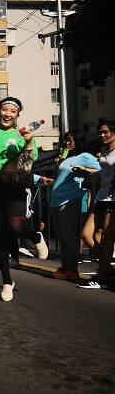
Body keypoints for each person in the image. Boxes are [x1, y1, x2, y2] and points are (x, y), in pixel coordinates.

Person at [0, 97, 46, 301]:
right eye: (4, 110)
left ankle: (35, 237)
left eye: (12, 111)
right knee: (0, 237)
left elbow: (31, 160)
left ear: (17, 115)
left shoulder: (22, 135)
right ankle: (7, 282)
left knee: (16, 227)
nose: (7, 114)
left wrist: (28, 143)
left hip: (14, 186)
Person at [50, 130, 99, 280]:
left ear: (78, 140)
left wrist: (84, 170)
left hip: (69, 200)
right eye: (66, 140)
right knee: (61, 236)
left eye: (70, 139)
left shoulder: (85, 156)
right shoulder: (67, 157)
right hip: (56, 200)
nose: (67, 142)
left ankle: (72, 268)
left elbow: (99, 170)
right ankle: (65, 266)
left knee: (69, 236)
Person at [80, 121, 115, 289]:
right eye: (100, 132)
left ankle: (100, 279)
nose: (102, 135)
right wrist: (92, 176)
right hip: (102, 197)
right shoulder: (104, 150)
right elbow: (105, 171)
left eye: (105, 132)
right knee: (86, 234)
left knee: (107, 239)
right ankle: (108, 269)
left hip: (113, 199)